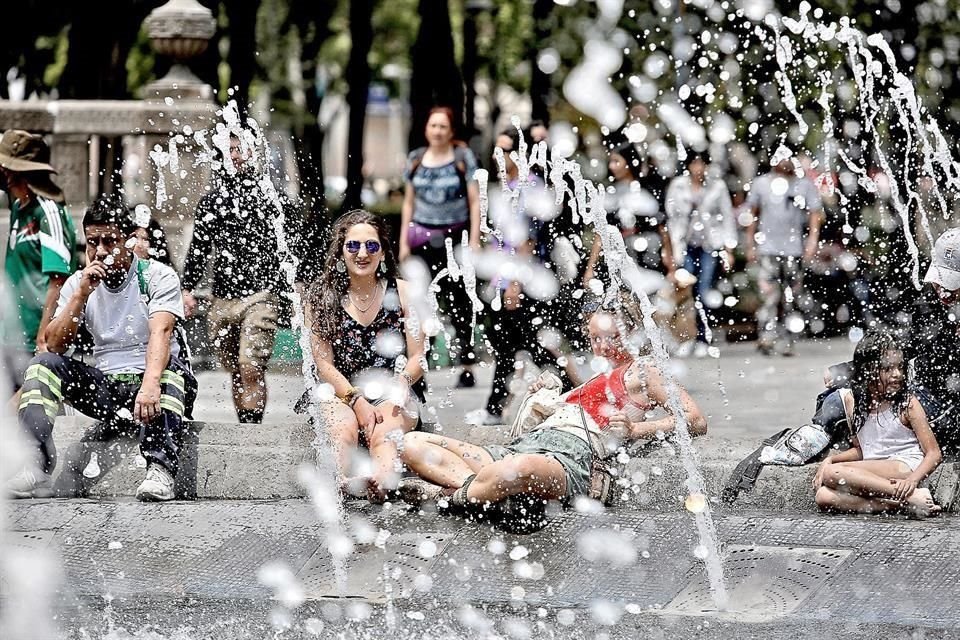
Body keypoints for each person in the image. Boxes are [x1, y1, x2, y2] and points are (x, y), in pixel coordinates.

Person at [398, 296, 707, 510]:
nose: (600, 348)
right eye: (593, 338)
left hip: (568, 458)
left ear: (631, 332)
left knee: (515, 469)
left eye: (609, 337)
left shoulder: (644, 369)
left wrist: (635, 429)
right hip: (522, 448)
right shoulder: (590, 380)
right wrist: (543, 395)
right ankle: (478, 492)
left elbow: (696, 420)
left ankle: (449, 496)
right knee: (410, 442)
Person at [6, 193, 195, 501]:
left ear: (131, 240)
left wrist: (149, 386)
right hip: (108, 388)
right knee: (41, 365)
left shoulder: (158, 276)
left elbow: (161, 332)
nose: (101, 251)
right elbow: (53, 345)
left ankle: (160, 469)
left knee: (171, 373)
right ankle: (35, 468)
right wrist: (81, 295)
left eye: (110, 241)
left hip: (153, 381)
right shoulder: (79, 284)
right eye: (93, 242)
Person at [181, 132, 303, 424]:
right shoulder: (213, 201)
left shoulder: (271, 197)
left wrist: (297, 283)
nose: (234, 155)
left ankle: (253, 430)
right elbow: (199, 248)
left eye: (240, 149)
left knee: (251, 366)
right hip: (222, 298)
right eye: (228, 149)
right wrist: (187, 288)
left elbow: (291, 245)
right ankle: (245, 426)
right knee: (235, 368)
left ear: (254, 152)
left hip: (261, 296)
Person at [308, 209, 426, 501]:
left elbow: (418, 357)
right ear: (341, 251)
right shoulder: (320, 296)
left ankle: (381, 482)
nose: (363, 253)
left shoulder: (405, 293)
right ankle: (341, 481)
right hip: (339, 391)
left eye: (372, 246)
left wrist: (403, 380)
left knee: (385, 430)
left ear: (383, 252)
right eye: (353, 246)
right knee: (343, 427)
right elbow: (323, 364)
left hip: (390, 388)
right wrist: (355, 400)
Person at [465, 128, 570, 426]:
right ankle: (565, 396)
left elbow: (528, 242)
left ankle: (567, 397)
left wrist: (514, 284)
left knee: (525, 347)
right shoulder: (508, 188)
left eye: (505, 151)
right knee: (517, 347)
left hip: (523, 283)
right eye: (495, 150)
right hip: (508, 280)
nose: (498, 157)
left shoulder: (527, 188)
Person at [813, 330, 942, 517]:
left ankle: (904, 494)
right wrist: (831, 459)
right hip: (873, 471)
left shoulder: (907, 403)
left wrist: (912, 481)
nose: (897, 374)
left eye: (900, 367)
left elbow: (934, 453)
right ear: (868, 369)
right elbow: (862, 449)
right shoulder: (852, 402)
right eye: (888, 369)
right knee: (823, 497)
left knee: (832, 474)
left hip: (903, 467)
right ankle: (904, 503)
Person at [399, 106, 481, 388]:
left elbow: (474, 201)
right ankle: (419, 364)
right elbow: (408, 202)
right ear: (426, 129)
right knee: (419, 301)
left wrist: (474, 240)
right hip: (421, 239)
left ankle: (467, 365)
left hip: (454, 239)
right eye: (433, 126)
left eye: (443, 127)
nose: (437, 131)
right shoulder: (416, 158)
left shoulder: (462, 157)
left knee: (460, 302)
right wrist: (403, 242)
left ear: (451, 131)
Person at [0, 130, 78, 389]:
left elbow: (59, 280)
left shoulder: (48, 211)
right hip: (10, 335)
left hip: (37, 337)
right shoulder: (18, 208)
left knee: (32, 417)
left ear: (12, 172)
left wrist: (43, 339)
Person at [745, 153, 824, 356]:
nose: (785, 163)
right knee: (769, 295)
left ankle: (787, 339)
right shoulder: (762, 184)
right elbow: (752, 214)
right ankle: (767, 336)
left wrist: (812, 241)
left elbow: (815, 213)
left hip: (793, 249)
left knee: (791, 296)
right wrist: (750, 243)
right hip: (768, 249)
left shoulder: (803, 185)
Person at [665, 151, 736, 357]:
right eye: (694, 163)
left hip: (708, 245)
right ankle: (686, 337)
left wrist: (728, 249)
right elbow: (670, 217)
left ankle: (703, 337)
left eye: (701, 163)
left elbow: (727, 218)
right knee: (685, 291)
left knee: (703, 290)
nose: (698, 168)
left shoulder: (717, 186)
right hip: (685, 244)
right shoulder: (678, 186)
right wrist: (669, 248)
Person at [584, 142, 676, 287]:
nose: (611, 166)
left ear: (629, 163)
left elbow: (663, 229)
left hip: (650, 263)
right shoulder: (611, 195)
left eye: (616, 161)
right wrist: (590, 268)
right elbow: (601, 234)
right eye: (610, 162)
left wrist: (671, 266)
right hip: (620, 266)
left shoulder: (648, 192)